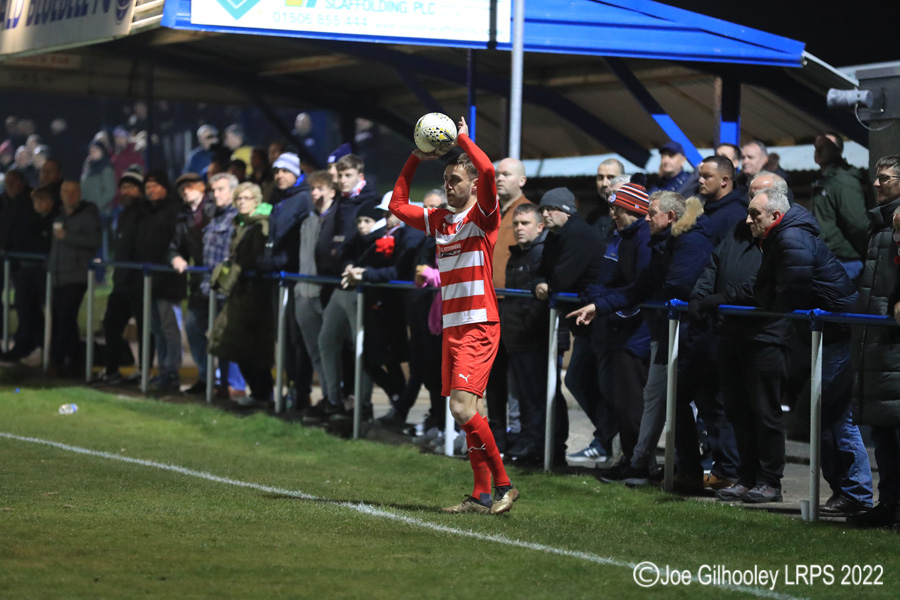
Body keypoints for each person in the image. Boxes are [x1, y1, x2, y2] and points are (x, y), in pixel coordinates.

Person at [389, 116, 518, 515]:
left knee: (462, 410)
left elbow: (489, 171)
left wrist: (463, 139)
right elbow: (396, 205)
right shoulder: (440, 221)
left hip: (479, 323)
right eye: (445, 179)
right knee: (465, 412)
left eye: (456, 180)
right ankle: (480, 496)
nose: (448, 185)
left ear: (473, 186)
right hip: (453, 327)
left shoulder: (484, 217)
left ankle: (505, 485)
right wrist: (414, 158)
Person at [719, 188, 873, 505]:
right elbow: (766, 288)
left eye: (755, 214)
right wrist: (728, 298)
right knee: (824, 413)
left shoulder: (790, 239)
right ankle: (849, 491)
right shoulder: (781, 238)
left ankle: (854, 491)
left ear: (776, 216)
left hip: (838, 335)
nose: (747, 220)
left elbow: (788, 295)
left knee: (826, 413)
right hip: (829, 334)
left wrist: (760, 298)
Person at [569, 191, 716, 491]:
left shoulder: (689, 241)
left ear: (670, 217)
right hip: (668, 333)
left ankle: (708, 468)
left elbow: (676, 287)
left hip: (690, 336)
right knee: (657, 397)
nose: (646, 218)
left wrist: (611, 300)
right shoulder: (662, 242)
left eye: (652, 213)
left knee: (695, 403)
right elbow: (641, 287)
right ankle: (644, 462)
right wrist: (599, 305)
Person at [534, 188, 605, 465]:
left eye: (551, 209)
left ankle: (613, 434)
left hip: (598, 320)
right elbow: (541, 272)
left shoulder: (578, 235)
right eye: (542, 209)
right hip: (583, 322)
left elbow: (562, 278)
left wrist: (547, 285)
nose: (545, 213)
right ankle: (610, 434)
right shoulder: (556, 236)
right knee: (579, 379)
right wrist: (541, 284)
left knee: (583, 379)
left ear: (566, 210)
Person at [849, 155, 900, 526]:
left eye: (885, 178)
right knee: (883, 430)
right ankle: (889, 504)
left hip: (892, 339)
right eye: (876, 177)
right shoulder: (881, 223)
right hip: (878, 338)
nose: (877, 183)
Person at [501, 203, 567, 463]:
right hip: (518, 337)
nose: (519, 228)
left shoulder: (543, 253)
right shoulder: (517, 254)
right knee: (526, 397)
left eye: (525, 223)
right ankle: (533, 444)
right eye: (516, 224)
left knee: (543, 396)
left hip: (537, 338)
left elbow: (543, 299)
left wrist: (527, 326)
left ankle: (549, 448)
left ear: (540, 226)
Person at [209, 183, 275, 405]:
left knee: (250, 345)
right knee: (238, 345)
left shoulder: (260, 225)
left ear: (256, 200)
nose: (242, 202)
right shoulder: (241, 223)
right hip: (241, 290)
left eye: (247, 198)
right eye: (239, 198)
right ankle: (258, 393)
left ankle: (262, 393)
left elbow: (254, 257)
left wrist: (236, 266)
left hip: (255, 292)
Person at [486, 157, 533, 451]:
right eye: (497, 174)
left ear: (522, 180)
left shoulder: (527, 214)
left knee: (519, 378)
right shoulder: (491, 211)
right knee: (493, 377)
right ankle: (497, 437)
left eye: (506, 174)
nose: (499, 178)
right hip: (489, 305)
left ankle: (523, 437)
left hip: (516, 305)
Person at [134, 170, 186, 393]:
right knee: (157, 328)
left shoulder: (174, 210)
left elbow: (176, 243)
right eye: (147, 187)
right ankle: (164, 369)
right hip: (150, 278)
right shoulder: (146, 211)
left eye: (155, 186)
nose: (151, 191)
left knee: (169, 327)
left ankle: (171, 371)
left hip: (168, 278)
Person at [169, 173, 217, 394]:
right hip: (199, 282)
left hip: (220, 279)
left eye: (189, 186)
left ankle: (227, 382)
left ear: (201, 187)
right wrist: (176, 258)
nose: (185, 191)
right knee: (193, 327)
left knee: (224, 332)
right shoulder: (183, 217)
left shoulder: (216, 208)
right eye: (182, 189)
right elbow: (175, 246)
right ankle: (207, 376)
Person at [47, 181, 101, 376]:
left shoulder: (88, 215)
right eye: (66, 192)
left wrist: (67, 237)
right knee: (61, 319)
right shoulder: (58, 215)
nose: (70, 196)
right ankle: (74, 360)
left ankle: (57, 360)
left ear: (79, 193)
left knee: (66, 317)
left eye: (73, 192)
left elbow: (95, 241)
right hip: (58, 275)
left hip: (77, 275)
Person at [0, 182, 56, 364]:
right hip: (26, 268)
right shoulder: (29, 219)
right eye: (36, 200)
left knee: (51, 311)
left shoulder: (54, 220)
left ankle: (50, 350)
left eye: (42, 200)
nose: (38, 204)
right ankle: (26, 346)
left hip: (43, 270)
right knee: (25, 309)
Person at [99, 170, 146, 384]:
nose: (126, 191)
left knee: (145, 329)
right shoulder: (123, 214)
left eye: (131, 187)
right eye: (124, 187)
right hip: (122, 282)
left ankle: (144, 371)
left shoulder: (144, 214)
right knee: (111, 324)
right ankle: (112, 370)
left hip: (139, 281)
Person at [204, 173, 247, 398]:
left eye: (221, 189)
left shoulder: (237, 217)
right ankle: (222, 382)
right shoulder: (215, 216)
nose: (216, 194)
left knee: (230, 337)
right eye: (214, 190)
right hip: (213, 287)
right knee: (218, 337)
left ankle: (235, 384)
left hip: (229, 287)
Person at [811, 133, 868, 280]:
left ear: (838, 151)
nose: (818, 151)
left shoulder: (844, 181)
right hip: (826, 256)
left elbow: (857, 223)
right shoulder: (821, 179)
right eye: (816, 147)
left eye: (824, 146)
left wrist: (867, 251)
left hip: (844, 260)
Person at [696, 155, 747, 246]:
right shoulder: (705, 209)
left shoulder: (736, 215)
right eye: (700, 176)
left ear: (724, 180)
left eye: (706, 176)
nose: (700, 181)